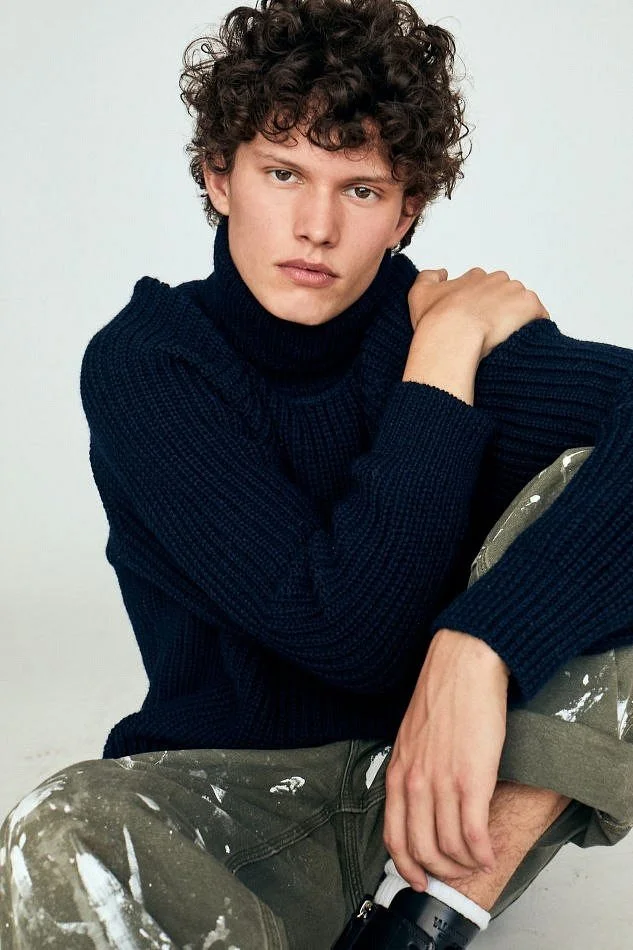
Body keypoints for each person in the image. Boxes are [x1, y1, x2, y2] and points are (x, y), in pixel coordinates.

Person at [1, 1, 633, 947]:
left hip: (445, 801)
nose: (316, 227)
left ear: (406, 211)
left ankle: (420, 924)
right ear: (219, 177)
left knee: (599, 509)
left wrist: (482, 644)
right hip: (235, 803)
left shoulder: (444, 334)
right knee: (57, 827)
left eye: (361, 190)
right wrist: (440, 363)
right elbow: (344, 632)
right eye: (283, 172)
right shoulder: (151, 364)